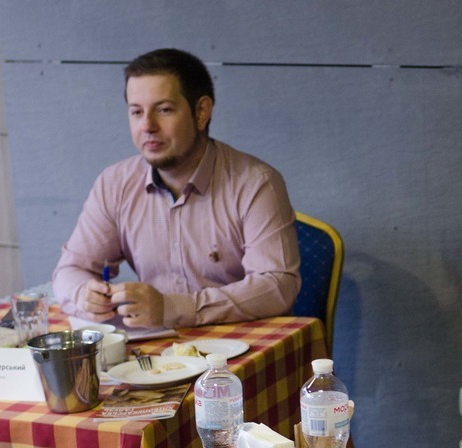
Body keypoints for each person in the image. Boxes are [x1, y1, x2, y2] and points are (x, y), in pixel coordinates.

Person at [52, 48, 300, 329]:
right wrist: (84, 295)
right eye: (136, 112)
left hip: (239, 345)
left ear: (201, 112)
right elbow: (71, 270)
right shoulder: (114, 184)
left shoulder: (256, 183)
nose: (147, 126)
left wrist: (173, 308)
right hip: (154, 348)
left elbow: (277, 285)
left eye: (164, 110)